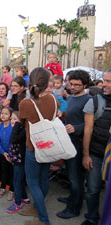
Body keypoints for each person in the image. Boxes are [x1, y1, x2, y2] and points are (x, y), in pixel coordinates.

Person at [18, 67, 60, 225]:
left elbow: (22, 121)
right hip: (49, 146)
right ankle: (37, 207)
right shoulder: (54, 100)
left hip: (33, 148)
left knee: (33, 182)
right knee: (43, 179)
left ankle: (43, 219)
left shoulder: (26, 103)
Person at [56, 70, 91, 220]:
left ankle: (74, 208)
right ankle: (72, 198)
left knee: (76, 177)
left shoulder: (89, 99)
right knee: (71, 175)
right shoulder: (69, 98)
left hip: (78, 143)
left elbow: (91, 124)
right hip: (68, 142)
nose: (73, 87)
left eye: (77, 85)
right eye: (71, 84)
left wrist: (76, 128)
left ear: (85, 85)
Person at [82, 70, 111, 225]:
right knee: (93, 189)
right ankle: (92, 217)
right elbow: (88, 130)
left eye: (109, 81)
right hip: (96, 154)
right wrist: (86, 155)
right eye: (104, 80)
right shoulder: (94, 101)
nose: (104, 84)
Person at [6, 111, 30, 214]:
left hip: (20, 161)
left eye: (15, 119)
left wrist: (16, 126)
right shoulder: (18, 129)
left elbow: (13, 140)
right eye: (11, 118)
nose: (12, 121)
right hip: (16, 160)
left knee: (17, 181)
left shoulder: (23, 130)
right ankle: (25, 198)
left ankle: (18, 203)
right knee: (19, 180)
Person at [0, 107, 14, 200]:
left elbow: (14, 142)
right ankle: (3, 188)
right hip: (3, 154)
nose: (3, 115)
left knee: (12, 172)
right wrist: (4, 153)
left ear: (10, 116)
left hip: (12, 155)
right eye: (2, 113)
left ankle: (12, 190)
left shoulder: (12, 127)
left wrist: (10, 154)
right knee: (3, 171)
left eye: (6, 114)